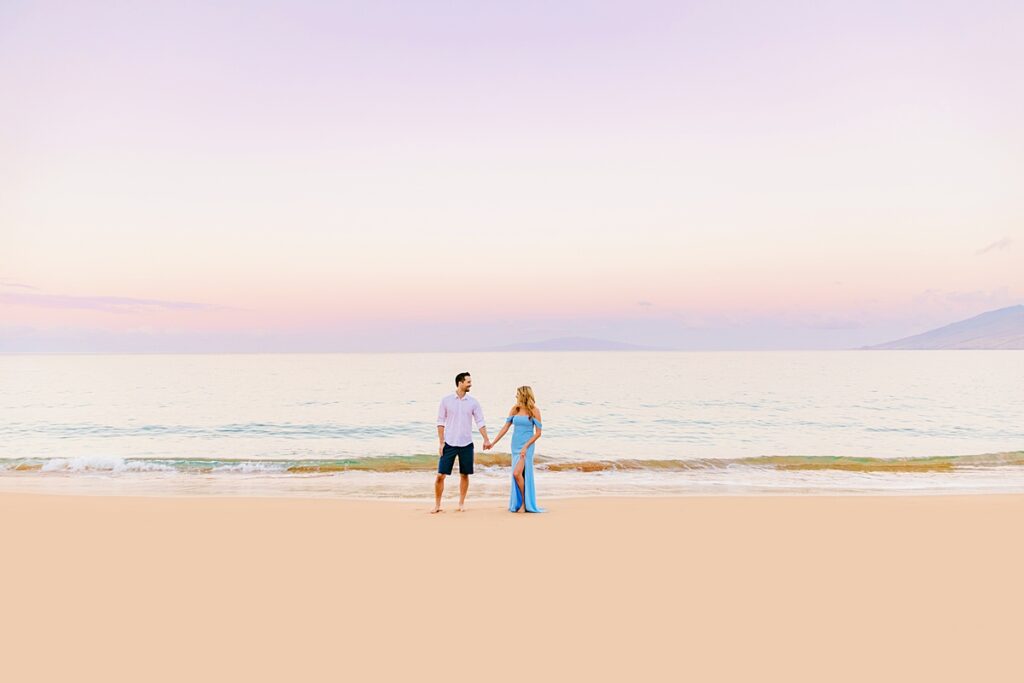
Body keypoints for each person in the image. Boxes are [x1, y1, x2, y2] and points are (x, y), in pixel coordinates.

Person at [433, 371, 490, 513]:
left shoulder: (473, 402)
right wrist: (441, 442)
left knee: (464, 474)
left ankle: (461, 503)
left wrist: (486, 439)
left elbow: (480, 421)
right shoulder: (446, 400)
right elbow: (440, 422)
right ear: (460, 383)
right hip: (449, 443)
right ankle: (437, 505)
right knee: (440, 475)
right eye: (468, 382)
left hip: (466, 444)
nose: (470, 384)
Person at [487, 386, 544, 513]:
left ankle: (524, 504)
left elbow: (538, 433)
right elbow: (505, 427)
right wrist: (493, 443)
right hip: (515, 445)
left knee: (517, 473)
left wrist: (525, 446)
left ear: (523, 395)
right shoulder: (515, 409)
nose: (515, 396)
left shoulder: (534, 411)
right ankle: (519, 503)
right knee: (518, 474)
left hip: (527, 446)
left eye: (517, 394)